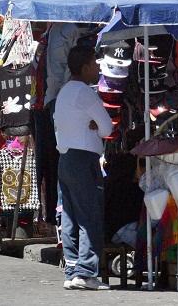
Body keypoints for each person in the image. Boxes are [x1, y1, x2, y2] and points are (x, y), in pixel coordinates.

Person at [54, 45, 113, 290]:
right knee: (89, 215)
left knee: (69, 215)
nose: (98, 67)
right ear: (86, 66)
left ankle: (72, 269)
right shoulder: (85, 93)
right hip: (83, 159)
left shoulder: (64, 91)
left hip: (65, 159)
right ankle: (86, 272)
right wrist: (94, 126)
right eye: (95, 63)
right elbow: (108, 128)